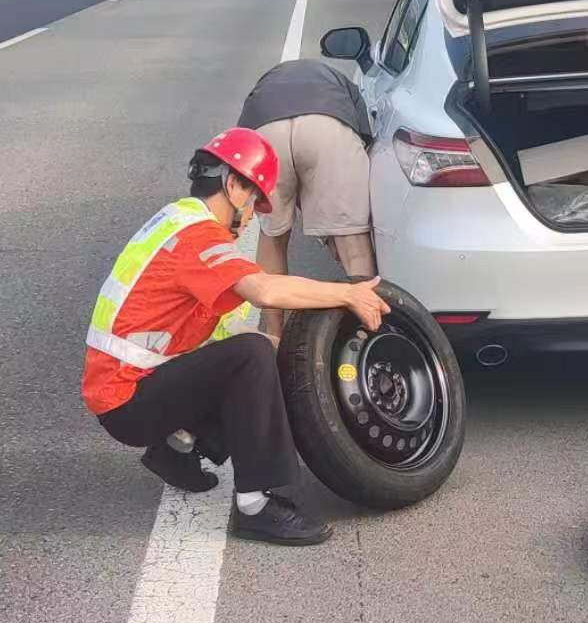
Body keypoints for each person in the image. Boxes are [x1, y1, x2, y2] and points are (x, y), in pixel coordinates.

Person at [83, 127, 389, 546]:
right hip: (128, 400)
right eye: (253, 203)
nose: (249, 220)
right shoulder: (197, 235)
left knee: (255, 357)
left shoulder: (175, 220)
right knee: (251, 353)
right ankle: (256, 506)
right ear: (233, 186)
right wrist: (347, 293)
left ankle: (176, 451)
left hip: (128, 386)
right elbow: (264, 291)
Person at [235, 58, 377, 339]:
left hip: (266, 130)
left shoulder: (263, 87)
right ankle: (363, 334)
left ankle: (275, 334)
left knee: (273, 234)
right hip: (329, 125)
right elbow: (365, 140)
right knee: (352, 241)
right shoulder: (344, 86)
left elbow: (241, 138)